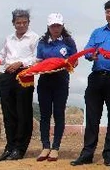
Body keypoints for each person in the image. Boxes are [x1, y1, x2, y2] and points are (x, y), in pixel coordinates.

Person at [71, 0, 110, 167]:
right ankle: (87, 153)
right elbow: (88, 49)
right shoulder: (97, 32)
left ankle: (108, 153)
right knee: (92, 116)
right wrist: (90, 55)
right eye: (107, 12)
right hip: (96, 77)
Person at [0, 9, 39, 161]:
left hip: (24, 75)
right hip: (7, 76)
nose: (21, 25)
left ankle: (20, 148)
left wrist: (21, 63)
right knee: (8, 113)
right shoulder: (9, 38)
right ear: (13, 24)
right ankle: (10, 146)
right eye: (18, 22)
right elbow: (2, 56)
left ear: (28, 23)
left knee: (23, 112)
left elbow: (37, 58)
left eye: (24, 22)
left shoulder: (34, 38)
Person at [36, 13, 77, 162]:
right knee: (45, 115)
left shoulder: (68, 42)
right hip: (45, 81)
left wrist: (64, 64)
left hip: (61, 81)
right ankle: (45, 146)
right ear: (48, 26)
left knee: (59, 113)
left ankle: (55, 148)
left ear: (62, 26)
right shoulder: (42, 42)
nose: (56, 28)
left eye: (58, 25)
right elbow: (38, 62)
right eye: (53, 26)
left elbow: (75, 61)